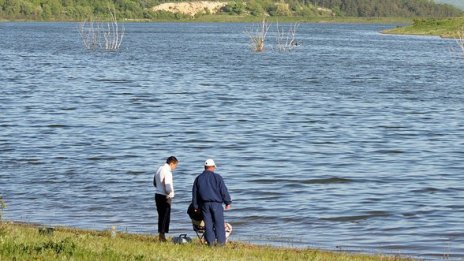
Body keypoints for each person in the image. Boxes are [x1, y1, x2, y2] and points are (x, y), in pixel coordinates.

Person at [192, 159, 232, 246]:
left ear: (204, 167)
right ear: (213, 167)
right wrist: (227, 202)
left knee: (208, 225)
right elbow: (223, 190)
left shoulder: (198, 178)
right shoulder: (217, 177)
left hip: (204, 205)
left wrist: (195, 206)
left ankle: (211, 243)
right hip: (216, 204)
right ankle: (220, 244)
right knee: (219, 224)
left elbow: (195, 193)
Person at [153, 156, 178, 242]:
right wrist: (169, 193)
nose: (175, 168)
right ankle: (162, 236)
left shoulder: (159, 169)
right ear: (171, 163)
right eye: (175, 165)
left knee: (161, 216)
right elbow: (167, 185)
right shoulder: (167, 172)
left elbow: (154, 182)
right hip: (165, 196)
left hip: (157, 194)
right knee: (165, 217)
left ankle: (161, 235)